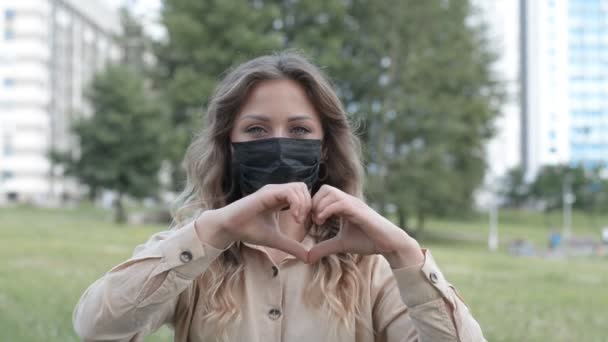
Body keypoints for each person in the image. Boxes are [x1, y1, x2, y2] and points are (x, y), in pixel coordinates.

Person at [73, 52, 486, 342]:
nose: (278, 144)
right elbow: (96, 327)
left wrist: (403, 252)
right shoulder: (194, 248)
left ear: (325, 146)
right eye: (255, 129)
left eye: (300, 130)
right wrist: (213, 230)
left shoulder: (368, 263)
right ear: (229, 144)